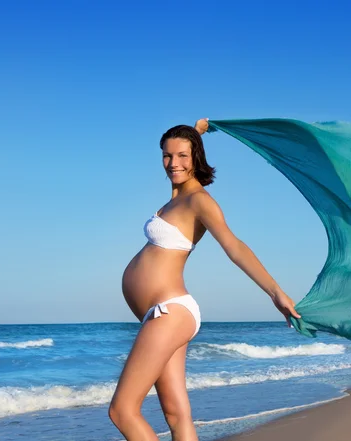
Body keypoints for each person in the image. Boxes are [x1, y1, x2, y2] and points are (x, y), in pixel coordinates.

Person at [108, 118, 301, 441]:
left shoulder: (199, 201)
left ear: (196, 157)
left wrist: (276, 293)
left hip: (170, 311)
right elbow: (181, 156)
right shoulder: (175, 197)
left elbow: (235, 247)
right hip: (160, 314)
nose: (173, 163)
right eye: (167, 156)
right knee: (176, 413)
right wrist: (194, 133)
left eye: (183, 156)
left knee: (122, 410)